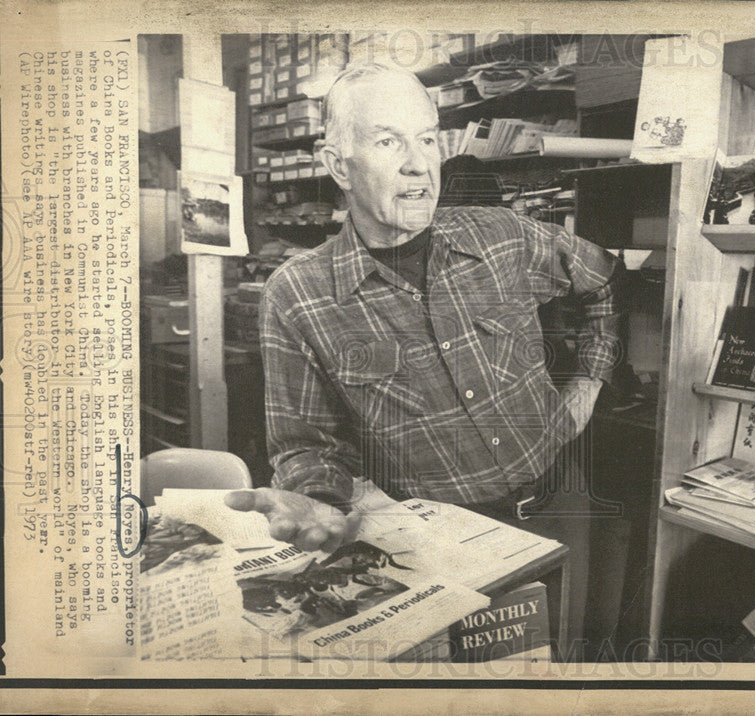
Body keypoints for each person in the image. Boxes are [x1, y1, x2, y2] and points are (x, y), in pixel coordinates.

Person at [225, 63, 623, 653]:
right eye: (388, 141)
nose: (418, 163)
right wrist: (320, 499)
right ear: (339, 166)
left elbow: (601, 282)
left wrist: (588, 381)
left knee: (562, 660)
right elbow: (307, 442)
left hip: (558, 502)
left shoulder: (506, 238)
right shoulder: (299, 293)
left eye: (428, 137)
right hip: (437, 544)